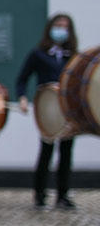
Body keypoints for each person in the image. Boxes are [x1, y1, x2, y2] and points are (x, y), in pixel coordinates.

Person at [16, 14, 80, 210]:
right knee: (46, 151)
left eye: (65, 27)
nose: (61, 30)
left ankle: (62, 195)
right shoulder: (38, 54)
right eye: (58, 25)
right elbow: (22, 78)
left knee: (66, 152)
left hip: (68, 109)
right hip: (48, 109)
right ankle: (40, 194)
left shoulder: (74, 56)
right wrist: (22, 98)